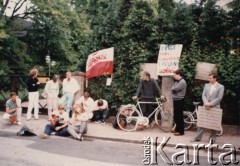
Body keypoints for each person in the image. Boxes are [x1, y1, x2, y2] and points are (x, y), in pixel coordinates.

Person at [191, 73, 224, 143]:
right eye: (209, 78)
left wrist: (210, 104)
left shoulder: (221, 87)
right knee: (201, 122)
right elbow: (203, 95)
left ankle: (212, 138)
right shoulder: (206, 85)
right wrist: (206, 103)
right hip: (205, 106)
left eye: (210, 78)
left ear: (215, 78)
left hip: (215, 107)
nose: (209, 79)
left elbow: (219, 97)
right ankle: (197, 137)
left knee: (214, 124)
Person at [171, 69, 187, 136]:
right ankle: (177, 129)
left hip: (179, 100)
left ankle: (181, 131)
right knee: (176, 116)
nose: (174, 76)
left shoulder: (182, 82)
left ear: (178, 74)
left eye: (175, 75)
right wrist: (173, 89)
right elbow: (172, 88)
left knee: (179, 116)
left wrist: (174, 89)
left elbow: (174, 89)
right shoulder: (177, 81)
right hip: (176, 99)